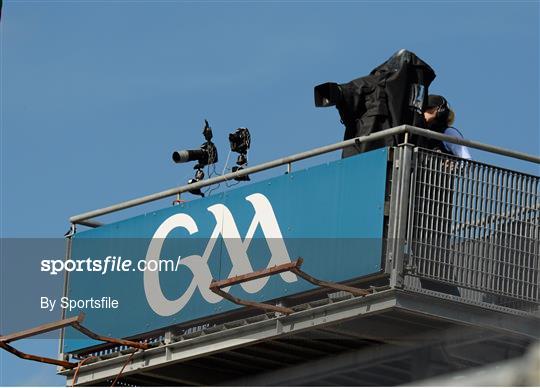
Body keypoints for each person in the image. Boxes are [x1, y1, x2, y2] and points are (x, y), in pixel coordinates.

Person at [422, 94, 472, 159]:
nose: (424, 111)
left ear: (441, 111)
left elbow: (467, 159)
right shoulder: (420, 132)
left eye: (428, 108)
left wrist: (455, 167)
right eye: (423, 109)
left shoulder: (449, 132)